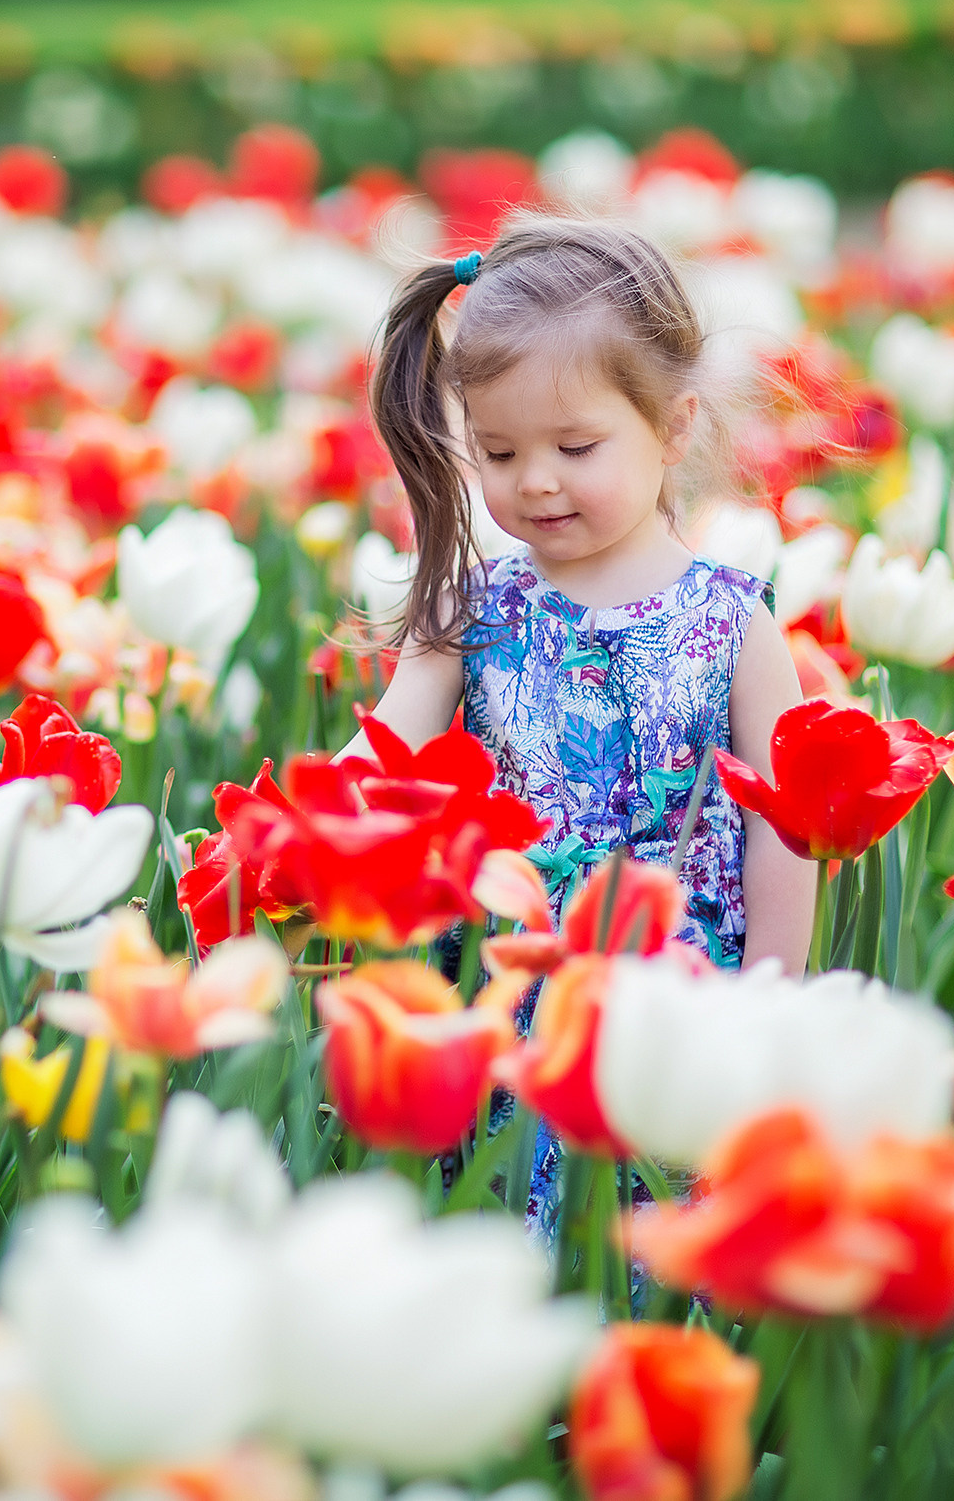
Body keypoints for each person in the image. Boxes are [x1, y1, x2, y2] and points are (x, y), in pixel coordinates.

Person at [344, 216, 815, 1225]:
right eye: (500, 450)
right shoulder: (469, 610)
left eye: (575, 444)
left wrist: (770, 998)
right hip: (506, 989)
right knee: (512, 1226)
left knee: (651, 1234)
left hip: (681, 999)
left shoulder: (733, 620)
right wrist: (295, 836)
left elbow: (785, 822)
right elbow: (383, 752)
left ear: (674, 426)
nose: (538, 479)